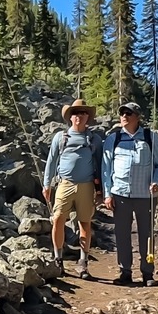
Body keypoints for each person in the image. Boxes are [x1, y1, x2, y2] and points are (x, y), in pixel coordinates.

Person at [102, 102, 158, 286]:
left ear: (137, 116)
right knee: (122, 234)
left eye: (128, 113)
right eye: (122, 113)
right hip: (120, 195)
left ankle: (148, 273)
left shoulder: (150, 137)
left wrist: (157, 182)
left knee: (147, 235)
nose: (124, 116)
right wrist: (107, 194)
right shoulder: (113, 139)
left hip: (146, 197)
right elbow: (106, 170)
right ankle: (125, 272)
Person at [41, 99, 103, 278]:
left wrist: (101, 191)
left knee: (85, 223)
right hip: (64, 184)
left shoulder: (94, 139)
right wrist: (47, 185)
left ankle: (83, 262)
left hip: (87, 185)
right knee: (58, 218)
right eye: (75, 113)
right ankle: (58, 259)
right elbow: (51, 161)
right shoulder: (60, 138)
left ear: (88, 117)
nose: (79, 116)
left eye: (83, 113)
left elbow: (100, 164)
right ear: (70, 117)